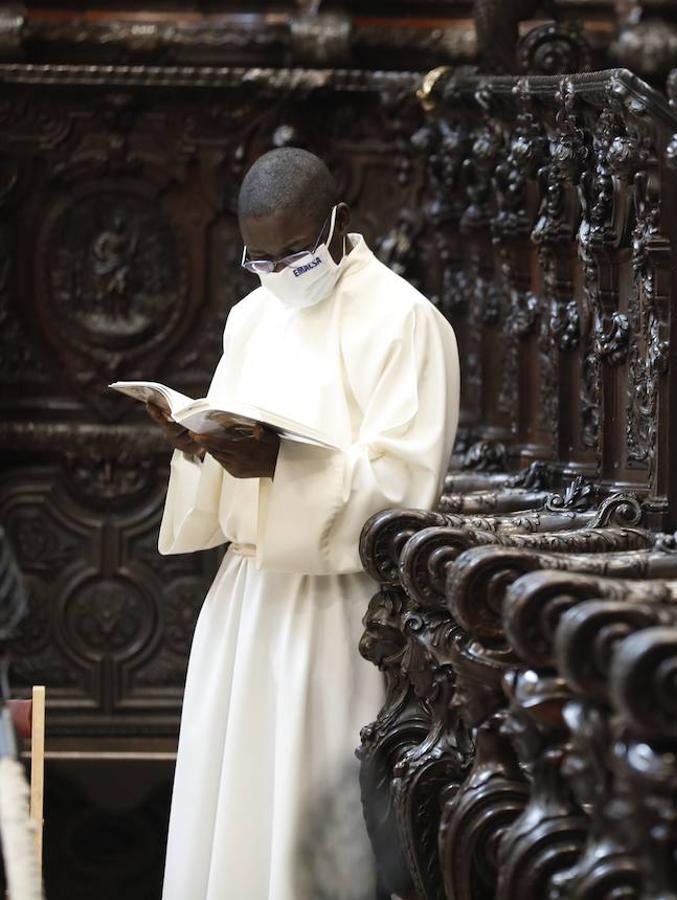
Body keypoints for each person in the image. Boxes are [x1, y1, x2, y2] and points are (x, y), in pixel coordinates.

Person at [149, 147, 459, 900]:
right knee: (233, 814)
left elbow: (402, 486)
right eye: (262, 257)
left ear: (339, 222)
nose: (281, 271)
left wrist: (278, 469)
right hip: (247, 597)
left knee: (305, 835)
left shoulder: (406, 322)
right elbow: (236, 448)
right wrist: (200, 447)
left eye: (295, 252)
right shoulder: (253, 315)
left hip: (335, 613)